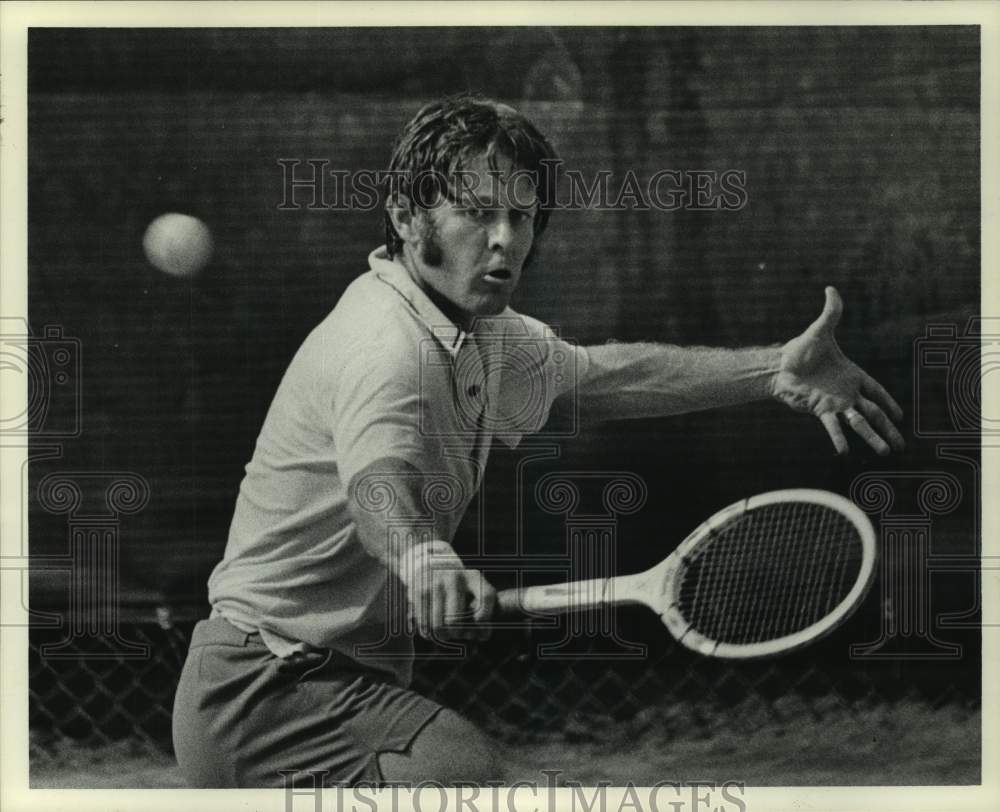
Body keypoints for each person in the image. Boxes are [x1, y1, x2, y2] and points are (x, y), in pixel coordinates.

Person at [172, 94, 905, 788]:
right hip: (266, 689)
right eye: (478, 212)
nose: (505, 240)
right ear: (404, 213)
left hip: (329, 680)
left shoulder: (481, 333)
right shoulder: (384, 346)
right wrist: (425, 559)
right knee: (492, 788)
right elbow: (377, 484)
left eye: (522, 217)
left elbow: (608, 379)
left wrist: (772, 368)